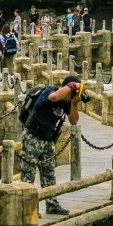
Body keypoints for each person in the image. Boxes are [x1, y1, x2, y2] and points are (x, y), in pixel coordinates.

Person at [19, 75, 83, 212]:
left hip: (48, 139)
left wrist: (75, 103)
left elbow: (74, 121)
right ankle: (27, 209)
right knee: (28, 174)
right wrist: (72, 86)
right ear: (67, 87)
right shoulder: (49, 91)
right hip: (33, 136)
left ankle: (52, 204)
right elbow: (54, 98)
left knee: (49, 174)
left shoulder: (67, 102)